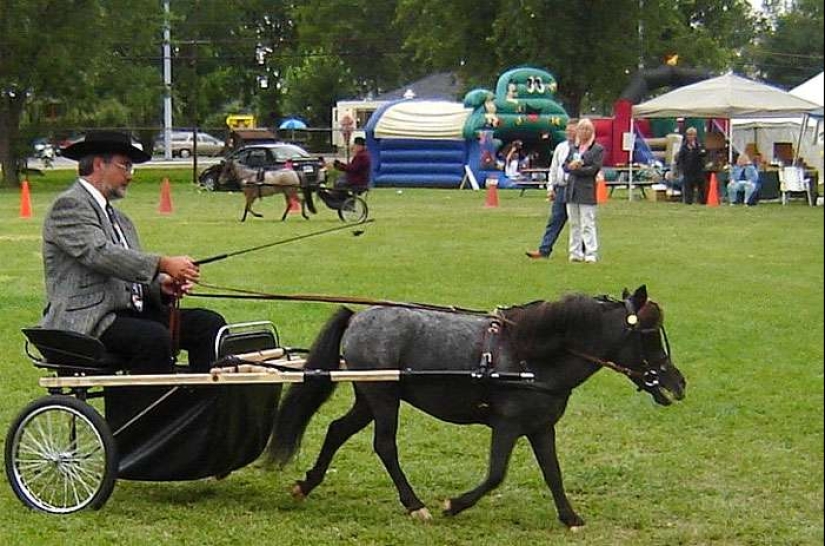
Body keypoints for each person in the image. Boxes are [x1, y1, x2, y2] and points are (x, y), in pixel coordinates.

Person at [40, 130, 226, 374]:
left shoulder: (120, 219)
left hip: (129, 314)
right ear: (99, 164)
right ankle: (147, 411)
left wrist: (161, 286)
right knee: (152, 338)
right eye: (125, 166)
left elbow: (127, 274)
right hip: (88, 320)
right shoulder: (69, 206)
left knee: (209, 325)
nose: (130, 176)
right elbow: (100, 253)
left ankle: (204, 407)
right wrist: (162, 263)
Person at [526, 119, 577, 259]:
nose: (569, 133)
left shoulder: (583, 148)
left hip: (575, 189)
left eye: (572, 131)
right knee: (555, 220)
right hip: (561, 188)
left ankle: (582, 251)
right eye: (568, 131)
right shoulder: (561, 147)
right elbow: (554, 168)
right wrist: (550, 187)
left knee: (577, 222)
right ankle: (544, 250)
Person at [564, 119, 604, 263]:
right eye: (581, 129)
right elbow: (565, 165)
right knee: (574, 223)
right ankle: (575, 252)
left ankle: (591, 252)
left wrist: (577, 168)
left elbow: (593, 169)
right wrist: (570, 166)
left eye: (587, 129)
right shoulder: (573, 148)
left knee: (587, 223)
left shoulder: (597, 149)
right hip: (571, 190)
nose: (584, 132)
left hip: (586, 190)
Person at [675, 127, 707, 205]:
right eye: (688, 134)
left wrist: (696, 149)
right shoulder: (684, 146)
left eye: (692, 134)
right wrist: (680, 168)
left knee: (701, 188)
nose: (690, 136)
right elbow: (680, 158)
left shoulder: (699, 144)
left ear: (695, 135)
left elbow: (704, 154)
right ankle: (688, 203)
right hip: (688, 171)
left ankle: (702, 203)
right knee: (688, 189)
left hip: (698, 170)